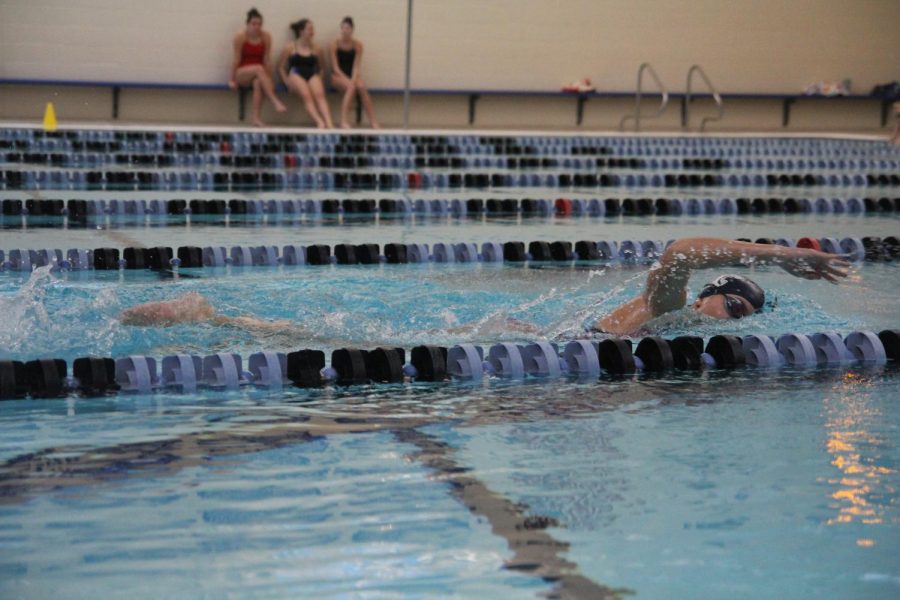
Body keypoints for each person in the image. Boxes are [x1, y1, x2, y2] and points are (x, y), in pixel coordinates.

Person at [593, 237, 849, 335]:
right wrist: (780, 254)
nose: (733, 320)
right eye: (734, 307)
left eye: (741, 317)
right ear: (701, 299)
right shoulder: (667, 308)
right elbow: (679, 253)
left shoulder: (673, 323)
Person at [228, 8, 287, 127]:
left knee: (258, 82)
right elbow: (236, 59)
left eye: (259, 24)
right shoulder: (240, 37)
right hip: (242, 73)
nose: (256, 27)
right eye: (253, 24)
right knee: (258, 68)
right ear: (248, 24)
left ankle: (256, 118)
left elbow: (267, 60)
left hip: (259, 73)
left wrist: (269, 79)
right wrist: (232, 79)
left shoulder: (266, 37)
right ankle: (274, 101)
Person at [278, 19, 334, 129]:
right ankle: (319, 121)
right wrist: (286, 81)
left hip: (312, 73)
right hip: (295, 73)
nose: (312, 32)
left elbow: (322, 67)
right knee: (307, 96)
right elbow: (280, 67)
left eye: (313, 29)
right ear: (301, 32)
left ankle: (329, 122)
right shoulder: (290, 47)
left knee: (320, 96)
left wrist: (320, 78)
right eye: (309, 29)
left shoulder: (317, 48)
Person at [330, 16, 380, 129]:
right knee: (351, 87)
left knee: (361, 86)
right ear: (341, 29)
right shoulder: (334, 44)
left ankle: (373, 121)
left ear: (352, 30)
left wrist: (353, 79)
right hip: (337, 76)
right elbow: (335, 67)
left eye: (348, 28)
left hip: (352, 75)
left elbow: (356, 66)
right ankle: (343, 121)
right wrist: (348, 81)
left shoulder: (358, 45)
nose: (345, 31)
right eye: (343, 28)